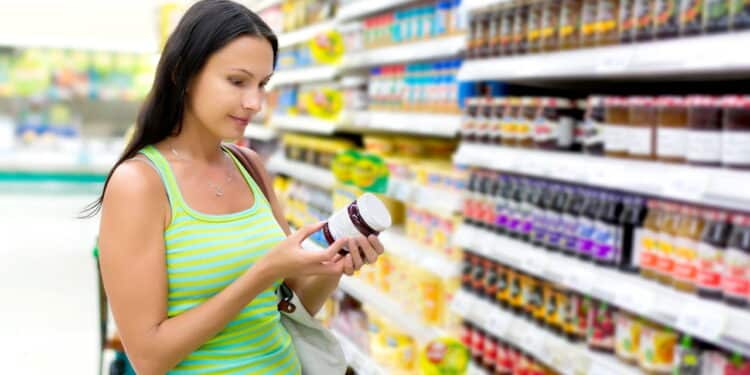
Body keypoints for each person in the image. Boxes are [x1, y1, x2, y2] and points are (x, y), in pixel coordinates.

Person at [84, 1, 385, 374]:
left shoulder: (250, 167)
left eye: (263, 84)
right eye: (237, 81)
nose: (255, 102)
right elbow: (149, 357)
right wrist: (260, 273)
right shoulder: (140, 184)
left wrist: (332, 265)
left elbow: (291, 304)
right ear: (184, 73)